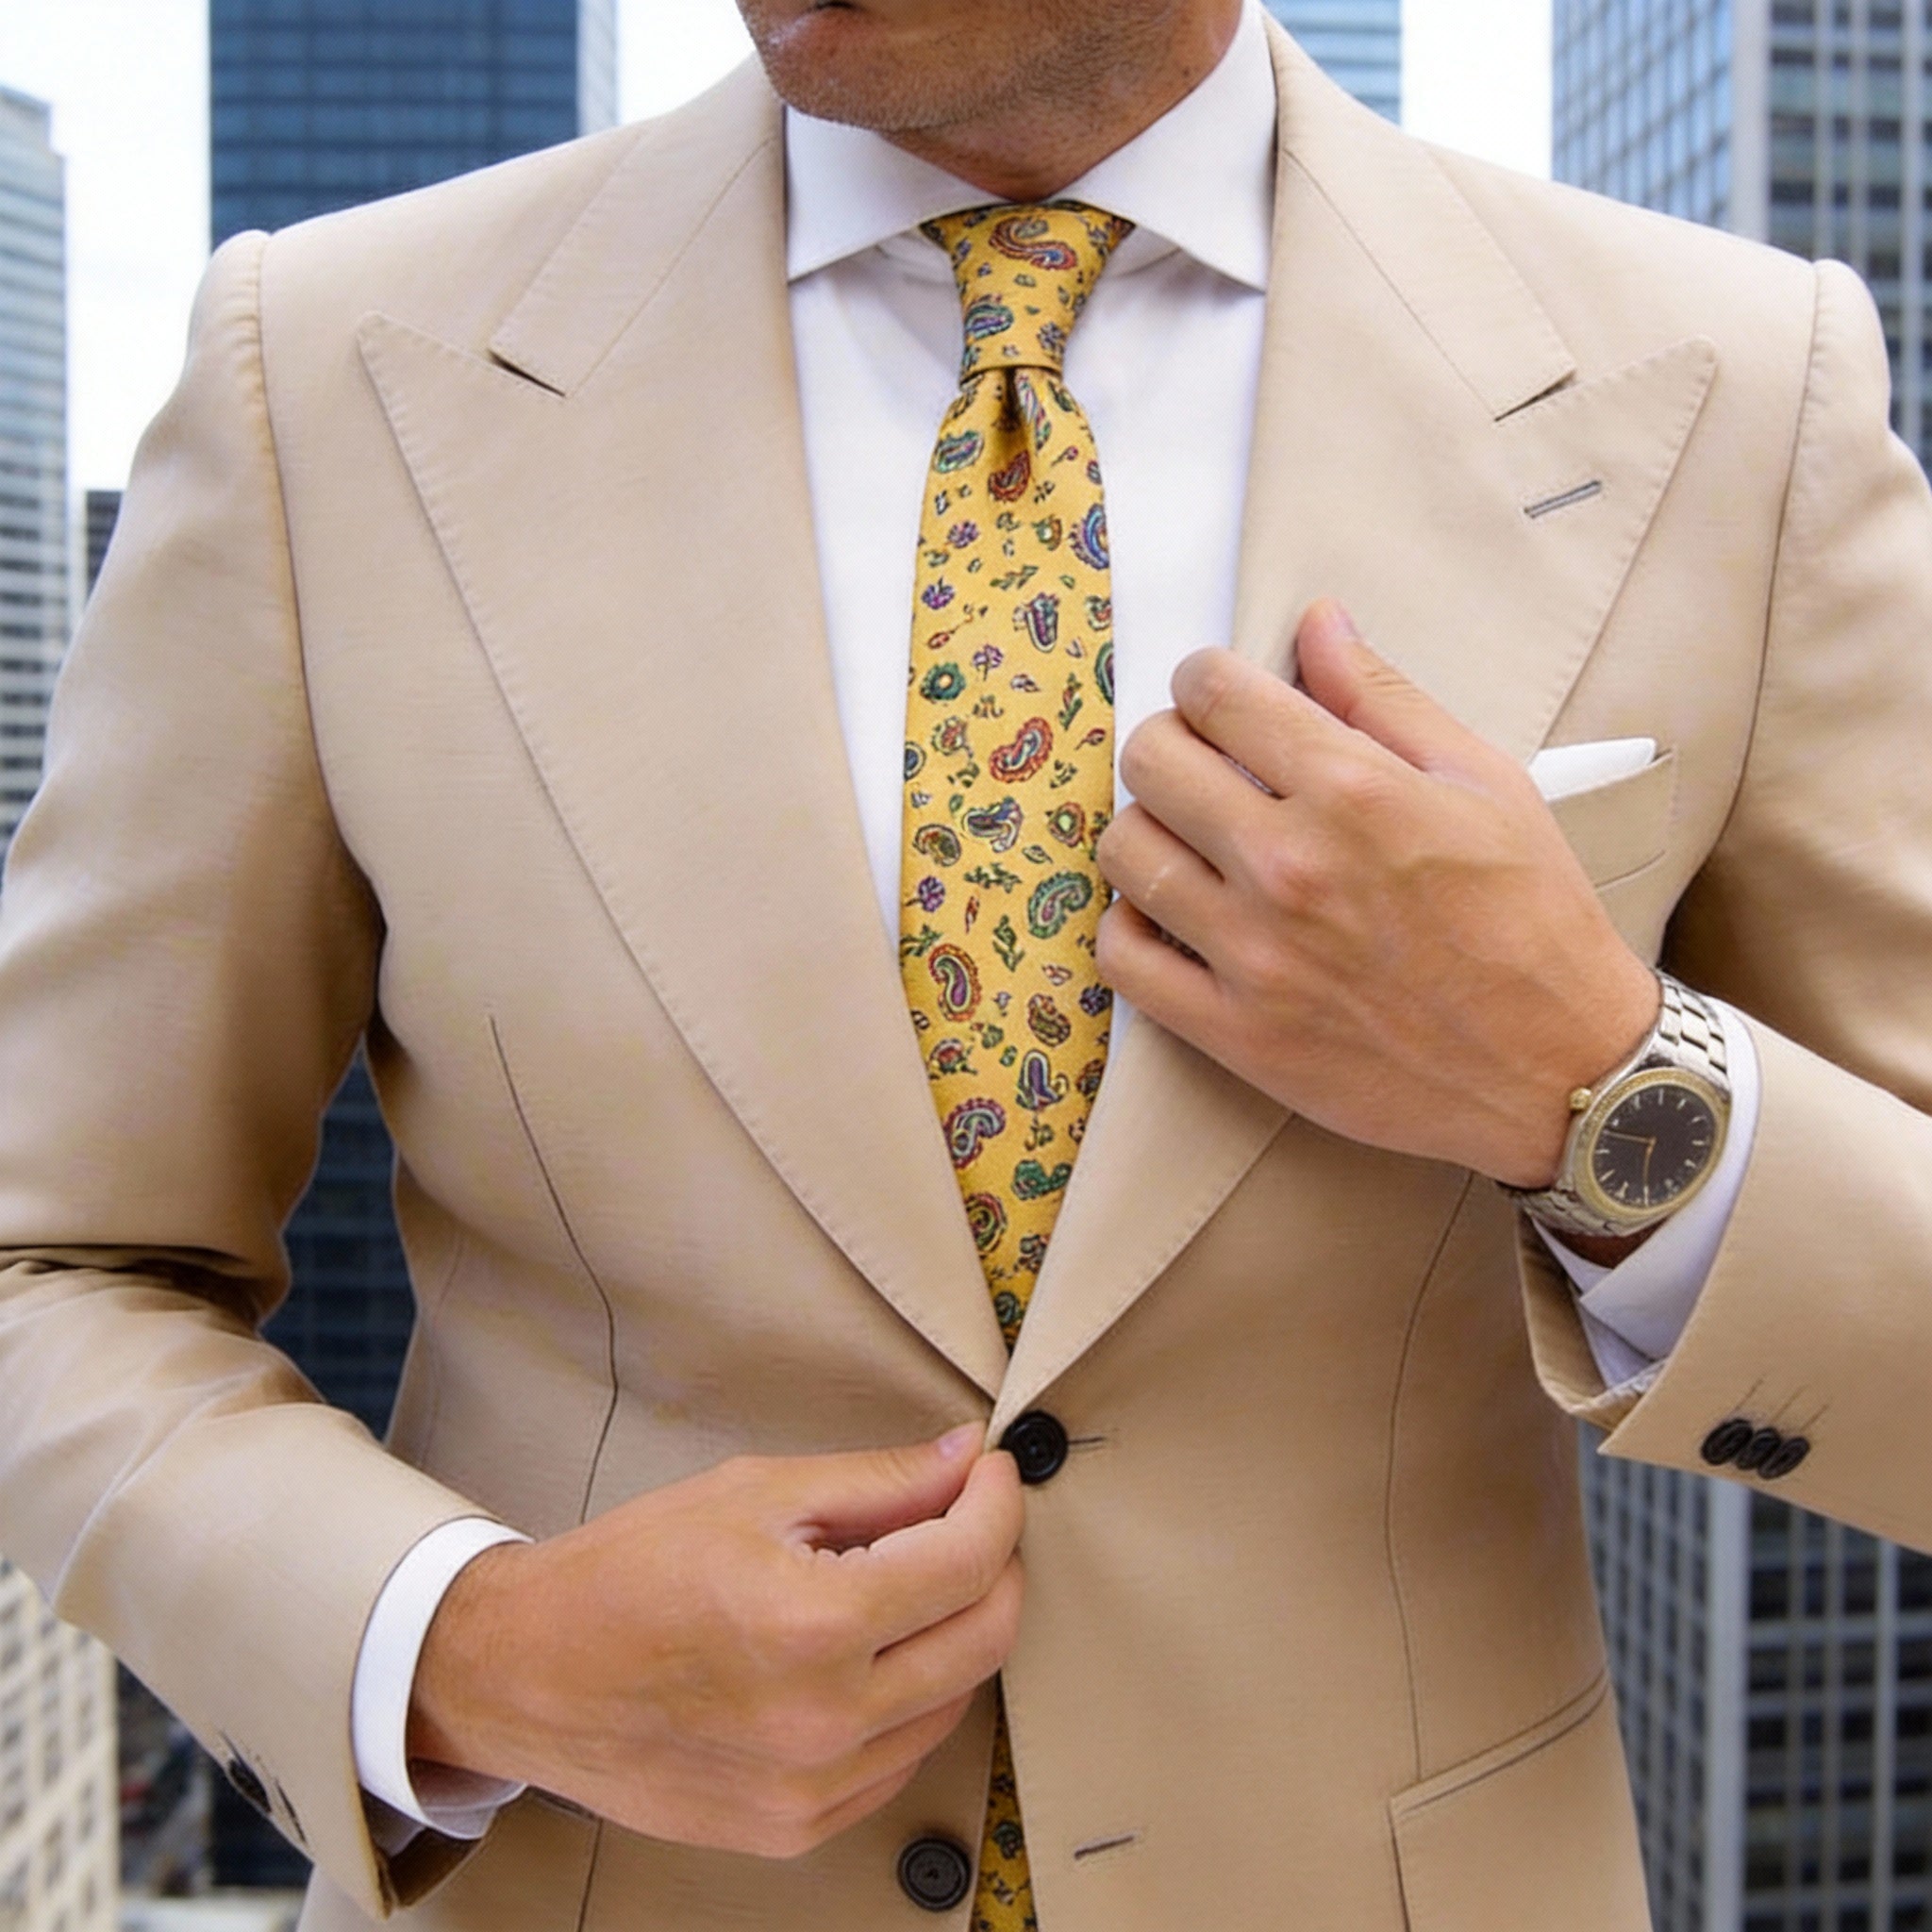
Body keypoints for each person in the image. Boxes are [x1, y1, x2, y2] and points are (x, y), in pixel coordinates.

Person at [2, 0, 1929, 1925]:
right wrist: (463, 1647)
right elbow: (51, 1256)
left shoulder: (1738, 391)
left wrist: (1597, 1084)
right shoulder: (324, 367)